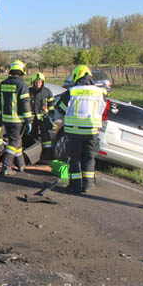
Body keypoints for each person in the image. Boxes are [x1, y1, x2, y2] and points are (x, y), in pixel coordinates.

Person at [55, 65, 107, 194]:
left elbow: (60, 109)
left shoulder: (72, 91)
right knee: (89, 158)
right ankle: (88, 185)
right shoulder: (99, 92)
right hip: (92, 132)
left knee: (75, 159)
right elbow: (102, 110)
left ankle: (75, 186)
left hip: (74, 132)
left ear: (76, 76)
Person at [0, 60, 33, 175]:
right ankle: (6, 167)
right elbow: (25, 104)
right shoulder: (22, 85)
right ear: (21, 71)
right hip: (18, 120)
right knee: (14, 142)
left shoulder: (3, 84)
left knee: (17, 142)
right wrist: (29, 120)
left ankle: (21, 165)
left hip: (6, 119)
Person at [29, 72, 55, 156]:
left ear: (42, 82)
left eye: (39, 82)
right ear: (33, 82)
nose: (37, 84)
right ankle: (34, 153)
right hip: (32, 119)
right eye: (36, 82)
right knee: (33, 135)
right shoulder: (29, 91)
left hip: (44, 118)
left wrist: (49, 115)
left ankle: (47, 154)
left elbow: (51, 105)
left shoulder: (47, 92)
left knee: (46, 136)